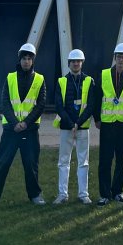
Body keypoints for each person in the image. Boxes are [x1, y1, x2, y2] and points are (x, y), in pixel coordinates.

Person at [0, 43, 47, 211]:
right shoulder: (10, 78)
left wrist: (26, 123)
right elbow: (5, 103)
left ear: (33, 61)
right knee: (2, 164)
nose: (26, 61)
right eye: (24, 58)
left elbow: (41, 104)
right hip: (11, 130)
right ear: (19, 60)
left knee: (31, 165)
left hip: (30, 130)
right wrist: (15, 123)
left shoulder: (40, 79)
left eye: (29, 58)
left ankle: (35, 195)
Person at [93, 42, 123, 206]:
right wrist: (97, 118)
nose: (121, 60)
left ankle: (117, 191)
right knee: (105, 159)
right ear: (115, 57)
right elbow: (97, 97)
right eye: (119, 57)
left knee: (121, 160)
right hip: (107, 123)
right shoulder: (104, 74)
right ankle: (104, 194)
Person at [52, 49, 95, 205]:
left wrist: (78, 123)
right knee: (63, 161)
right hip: (66, 127)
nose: (76, 64)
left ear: (82, 63)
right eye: (73, 61)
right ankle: (62, 194)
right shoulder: (61, 81)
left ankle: (83, 194)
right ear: (69, 63)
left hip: (82, 127)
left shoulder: (89, 81)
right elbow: (59, 106)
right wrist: (71, 124)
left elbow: (91, 105)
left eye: (78, 61)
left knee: (84, 161)